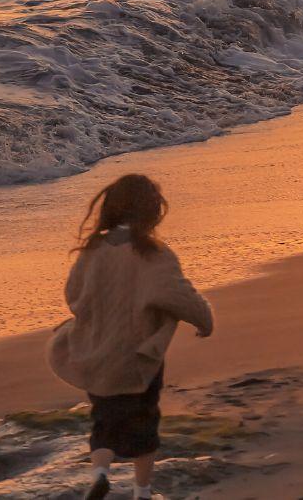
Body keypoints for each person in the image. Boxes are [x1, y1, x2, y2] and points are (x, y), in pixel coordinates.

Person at [49, 173, 214, 500]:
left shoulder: (93, 251)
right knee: (144, 421)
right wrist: (204, 320)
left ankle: (99, 473)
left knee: (104, 421)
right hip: (139, 358)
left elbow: (73, 295)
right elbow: (176, 294)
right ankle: (142, 490)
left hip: (97, 354)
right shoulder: (154, 253)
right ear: (152, 211)